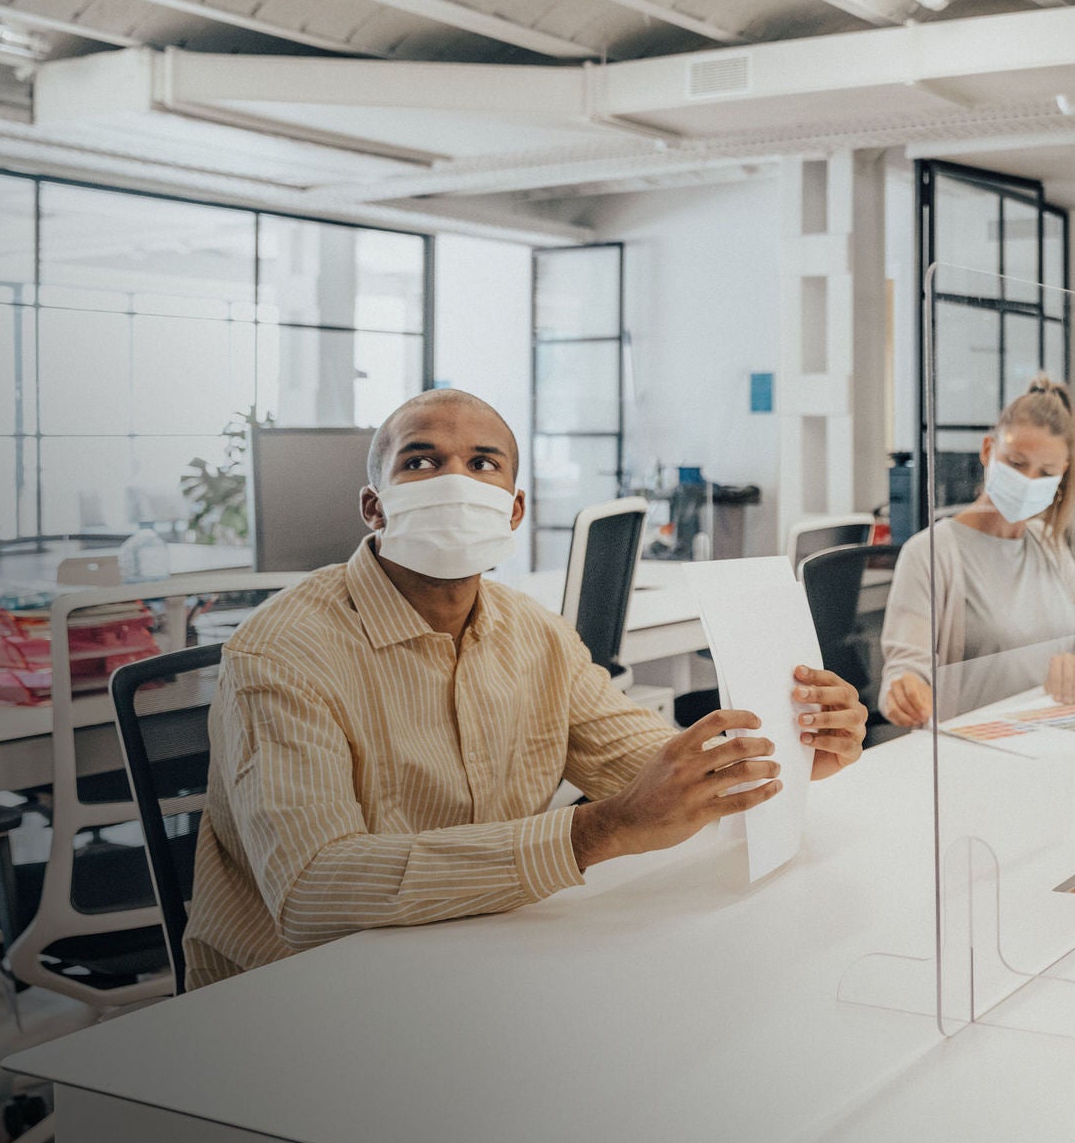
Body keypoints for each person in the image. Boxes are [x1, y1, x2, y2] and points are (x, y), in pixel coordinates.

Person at [185, 389, 868, 989]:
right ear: (375, 505)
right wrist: (594, 831)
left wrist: (782, 750)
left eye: (482, 463)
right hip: (292, 1001)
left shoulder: (537, 635)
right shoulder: (282, 653)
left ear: (512, 511)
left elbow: (650, 764)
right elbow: (313, 889)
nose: (454, 479)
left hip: (478, 960)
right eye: (420, 461)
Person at [879, 373, 1075, 725]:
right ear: (987, 450)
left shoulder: (1047, 544)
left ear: (1062, 475)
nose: (1028, 482)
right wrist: (904, 693)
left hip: (1053, 734)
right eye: (1016, 463)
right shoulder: (931, 553)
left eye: (1045, 472)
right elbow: (903, 672)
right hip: (973, 748)